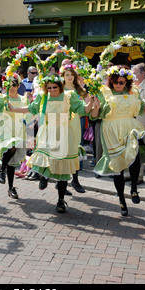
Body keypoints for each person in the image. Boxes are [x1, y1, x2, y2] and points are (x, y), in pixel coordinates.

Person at [9, 74, 96, 212]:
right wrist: (14, 109)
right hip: (47, 133)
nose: (52, 90)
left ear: (60, 86)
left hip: (64, 134)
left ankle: (60, 201)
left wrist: (91, 103)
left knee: (62, 167)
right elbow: (31, 109)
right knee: (44, 158)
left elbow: (82, 110)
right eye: (48, 87)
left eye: (54, 87)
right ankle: (44, 176)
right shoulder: (43, 97)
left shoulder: (69, 96)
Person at [91, 66, 145, 216]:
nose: (118, 85)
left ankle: (134, 188)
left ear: (126, 82)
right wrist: (95, 107)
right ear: (111, 81)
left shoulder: (133, 92)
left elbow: (142, 109)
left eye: (121, 82)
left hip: (130, 126)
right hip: (112, 130)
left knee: (134, 157)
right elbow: (95, 115)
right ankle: (122, 199)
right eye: (115, 82)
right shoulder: (104, 93)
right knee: (118, 166)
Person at [61, 64, 87, 193]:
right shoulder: (59, 88)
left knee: (75, 148)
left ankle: (75, 180)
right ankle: (62, 182)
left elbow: (85, 104)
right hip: (62, 122)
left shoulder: (79, 90)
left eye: (72, 75)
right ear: (63, 76)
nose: (70, 77)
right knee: (64, 150)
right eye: (67, 75)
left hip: (76, 121)